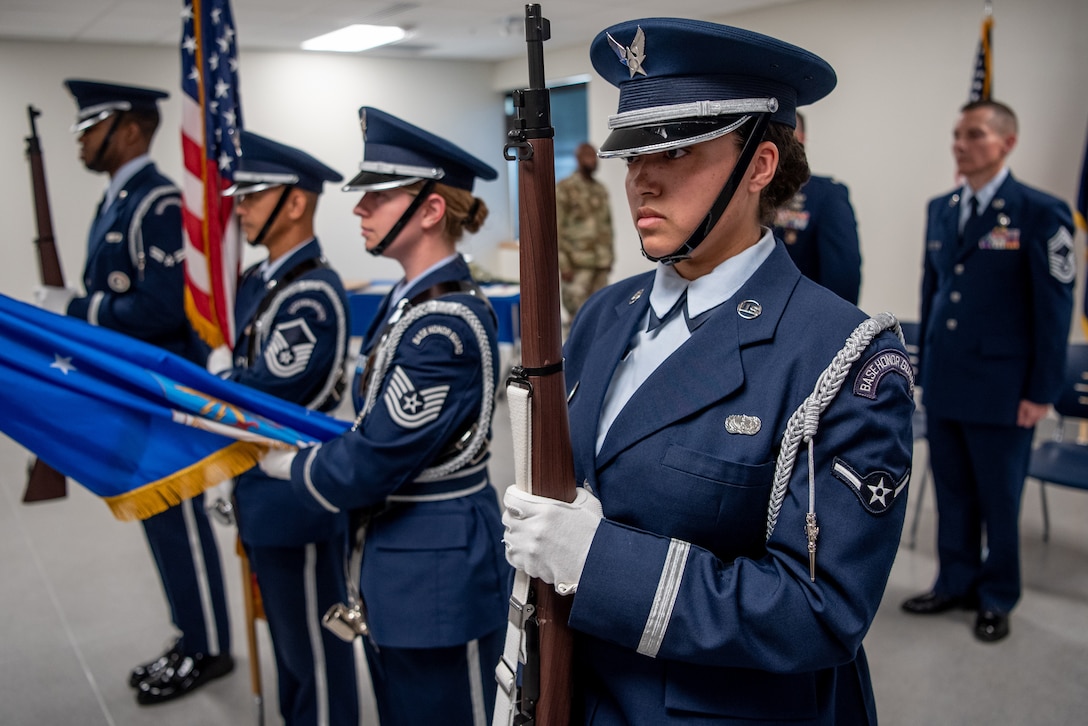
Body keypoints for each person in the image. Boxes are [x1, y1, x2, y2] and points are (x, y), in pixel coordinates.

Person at [499, 19, 915, 724]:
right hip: (576, 694)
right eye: (633, 153)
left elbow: (820, 612)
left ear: (759, 166)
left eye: (680, 149)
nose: (642, 179)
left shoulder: (843, 355)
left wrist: (597, 558)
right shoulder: (606, 312)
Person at [259, 107, 510, 725]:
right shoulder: (409, 304)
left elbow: (371, 462)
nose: (357, 209)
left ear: (429, 210)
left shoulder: (441, 325)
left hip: (437, 566)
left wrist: (295, 467)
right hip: (399, 560)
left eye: (377, 196)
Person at [41, 79, 233, 704]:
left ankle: (210, 650)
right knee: (159, 519)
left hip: (163, 393)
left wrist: (79, 306)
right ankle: (191, 634)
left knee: (179, 523)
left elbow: (158, 309)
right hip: (132, 394)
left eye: (88, 127)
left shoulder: (157, 204)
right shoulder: (118, 200)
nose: (80, 140)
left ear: (127, 129)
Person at [902, 99, 1075, 643]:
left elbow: (1054, 310)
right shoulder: (941, 207)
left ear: (1007, 142)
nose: (960, 143)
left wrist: (1041, 391)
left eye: (974, 134)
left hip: (1005, 390)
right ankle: (954, 580)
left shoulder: (1040, 212)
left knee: (999, 499)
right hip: (949, 382)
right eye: (957, 134)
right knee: (952, 492)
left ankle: (997, 594)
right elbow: (931, 296)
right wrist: (925, 374)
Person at [206, 130, 362, 724]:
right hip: (260, 492)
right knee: (289, 646)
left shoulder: (311, 295)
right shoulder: (258, 281)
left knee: (313, 653)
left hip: (297, 501)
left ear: (294, 203)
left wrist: (221, 377)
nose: (238, 207)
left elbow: (266, 396)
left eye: (252, 195)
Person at [772, 111, 862, 303]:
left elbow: (842, 279)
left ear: (801, 139)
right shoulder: (748, 195)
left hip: (803, 316)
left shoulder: (825, 196)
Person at [557, 141, 614, 321]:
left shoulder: (600, 189)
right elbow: (555, 229)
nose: (593, 161)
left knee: (601, 315)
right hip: (577, 265)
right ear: (578, 159)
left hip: (600, 264)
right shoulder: (565, 188)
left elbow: (607, 225)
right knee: (578, 318)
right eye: (588, 156)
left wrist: (609, 257)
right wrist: (563, 264)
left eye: (595, 157)